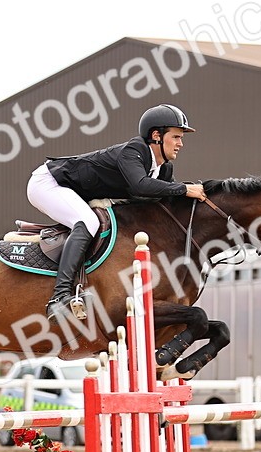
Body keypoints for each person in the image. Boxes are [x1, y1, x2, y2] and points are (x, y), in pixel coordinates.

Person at [27, 103, 206, 319]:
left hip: (71, 189)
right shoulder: (134, 151)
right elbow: (141, 186)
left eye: (181, 138)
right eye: (176, 137)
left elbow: (166, 202)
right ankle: (59, 297)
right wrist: (185, 189)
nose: (180, 144)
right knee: (88, 222)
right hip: (48, 183)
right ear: (156, 136)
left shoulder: (163, 169)